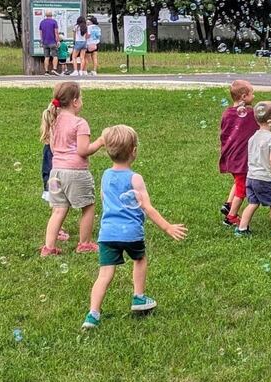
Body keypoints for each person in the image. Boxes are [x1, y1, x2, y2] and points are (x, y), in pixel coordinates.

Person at [82, 125, 188, 329]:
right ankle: (138, 297)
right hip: (131, 232)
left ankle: (93, 314)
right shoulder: (135, 178)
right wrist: (167, 227)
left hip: (107, 233)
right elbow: (147, 207)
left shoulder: (105, 175)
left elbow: (104, 199)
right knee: (139, 259)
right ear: (134, 151)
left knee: (104, 274)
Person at [39, 81, 104, 256]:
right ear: (75, 101)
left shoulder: (53, 121)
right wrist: (100, 141)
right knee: (88, 206)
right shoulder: (80, 123)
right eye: (81, 98)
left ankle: (49, 247)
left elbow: (53, 149)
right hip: (75, 173)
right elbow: (83, 150)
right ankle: (85, 244)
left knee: (58, 209)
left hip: (55, 173)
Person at [234, 101, 271, 238]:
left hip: (251, 177)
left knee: (253, 203)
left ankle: (242, 229)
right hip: (264, 178)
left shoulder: (252, 137)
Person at [219, 80, 258, 226]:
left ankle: (228, 204)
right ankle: (231, 217)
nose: (254, 96)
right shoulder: (250, 114)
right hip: (241, 158)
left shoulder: (227, 113)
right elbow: (262, 121)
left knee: (238, 181)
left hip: (231, 156)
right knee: (242, 189)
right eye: (252, 93)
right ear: (243, 96)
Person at [41, 142, 70, 242]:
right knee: (58, 206)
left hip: (52, 179)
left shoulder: (50, 147)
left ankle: (57, 229)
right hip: (53, 180)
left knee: (57, 206)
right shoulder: (53, 148)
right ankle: (57, 231)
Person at [38, 11, 60, 75]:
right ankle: (54, 69)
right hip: (53, 42)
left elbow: (41, 33)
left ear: (46, 15)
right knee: (55, 56)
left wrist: (42, 40)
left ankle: (46, 71)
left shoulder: (42, 22)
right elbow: (56, 32)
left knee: (46, 57)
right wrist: (58, 41)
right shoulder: (54, 22)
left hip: (45, 42)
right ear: (51, 15)